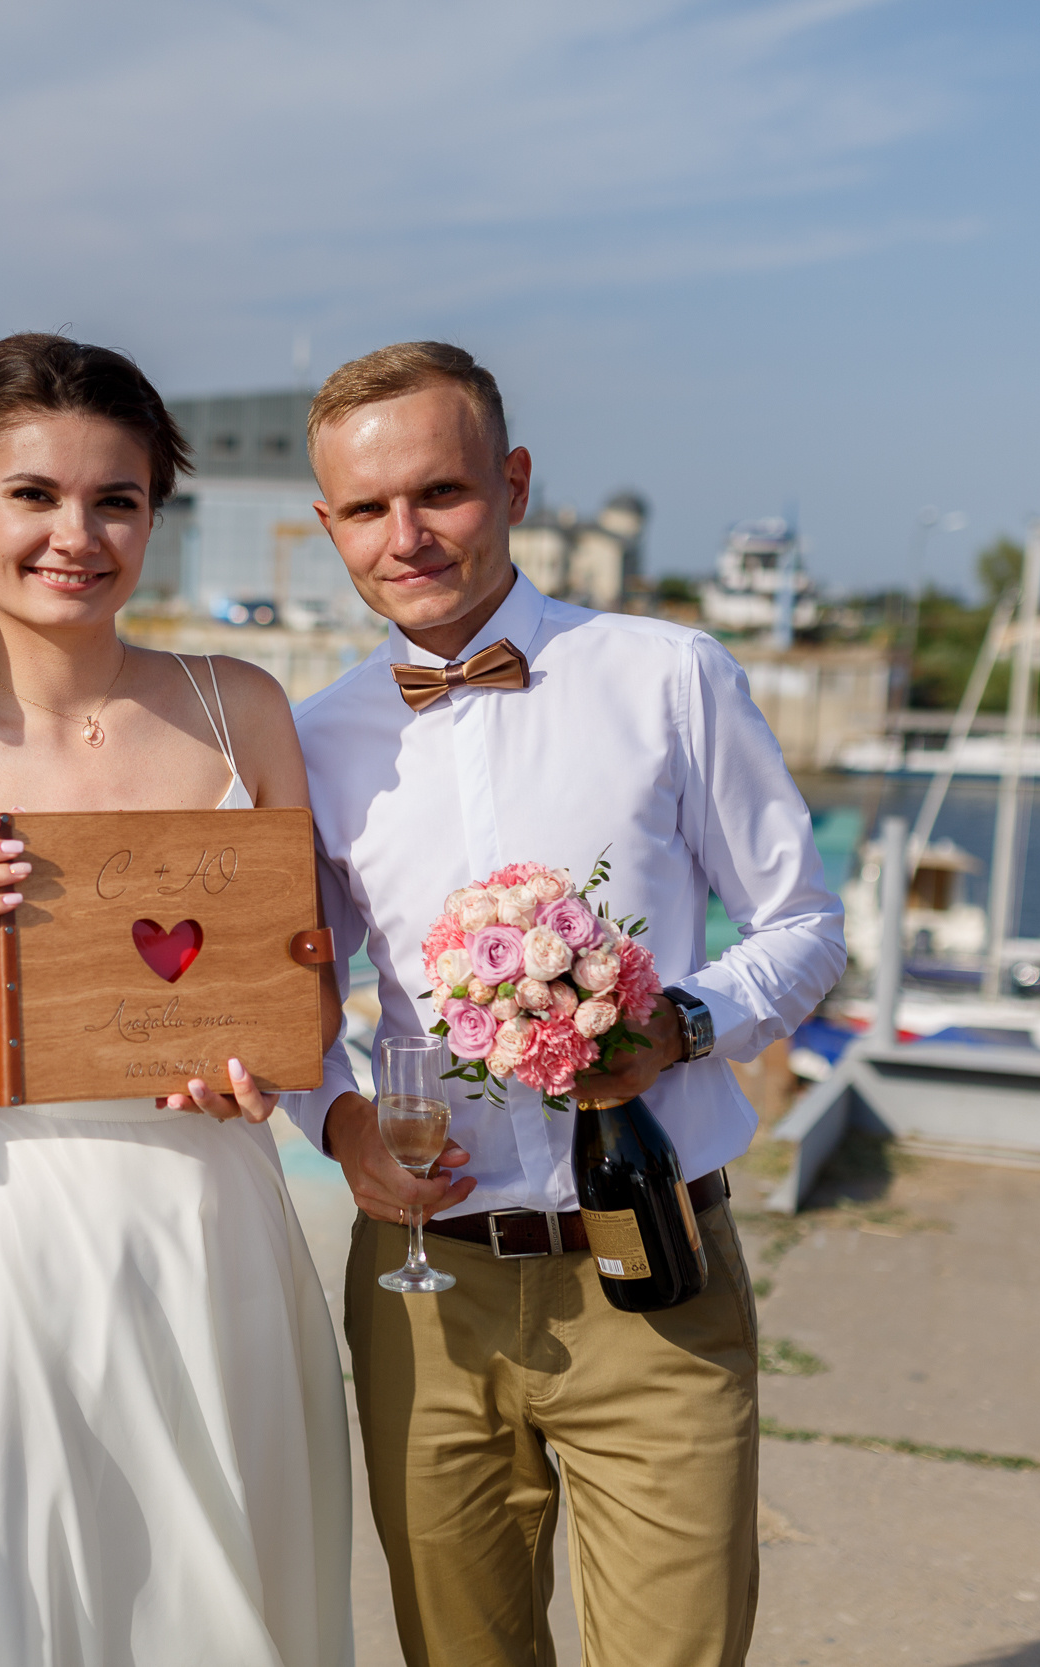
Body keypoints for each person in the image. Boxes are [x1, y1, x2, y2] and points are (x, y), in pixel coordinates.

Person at [282, 342, 847, 1667]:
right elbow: (293, 992)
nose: (405, 534)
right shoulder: (312, 739)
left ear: (516, 482)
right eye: (366, 509)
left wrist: (685, 1024)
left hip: (652, 1267)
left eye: (443, 491)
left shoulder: (667, 674)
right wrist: (339, 1121)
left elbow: (808, 924)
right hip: (425, 1293)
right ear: (328, 527)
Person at [0, 332, 354, 1666]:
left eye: (116, 498)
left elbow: (307, 997)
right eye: (36, 495)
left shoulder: (243, 712)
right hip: (5, 1266)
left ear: (154, 515)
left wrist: (264, 1067)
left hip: (217, 1236)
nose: (78, 532)